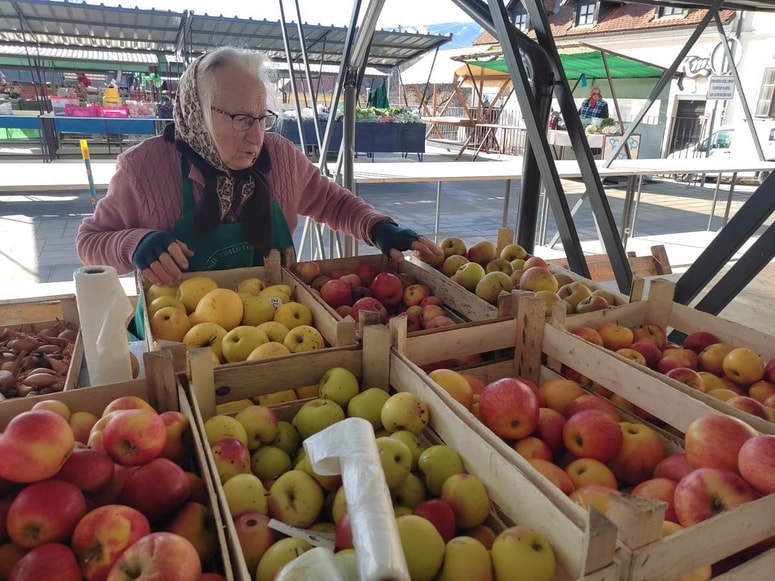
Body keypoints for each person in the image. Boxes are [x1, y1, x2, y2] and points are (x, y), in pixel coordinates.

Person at [76, 47, 442, 289]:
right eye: (239, 119)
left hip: (275, 333)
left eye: (261, 118)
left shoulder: (280, 156)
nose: (255, 137)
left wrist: (378, 228)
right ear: (197, 114)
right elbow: (89, 243)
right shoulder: (143, 169)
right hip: (182, 343)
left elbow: (334, 203)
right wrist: (134, 242)